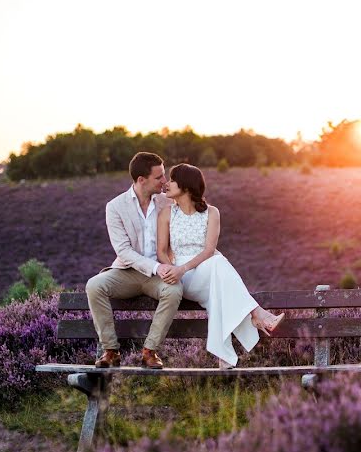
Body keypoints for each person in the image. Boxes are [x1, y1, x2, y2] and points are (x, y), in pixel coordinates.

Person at [157, 163, 284, 369]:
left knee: (217, 280)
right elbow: (162, 251)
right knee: (219, 263)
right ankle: (258, 314)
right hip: (184, 276)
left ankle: (224, 357)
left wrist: (184, 267)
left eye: (172, 179)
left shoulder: (212, 213)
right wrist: (172, 269)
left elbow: (208, 250)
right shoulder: (166, 214)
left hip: (205, 269)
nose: (167, 184)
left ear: (187, 186)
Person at [85, 152, 185, 369]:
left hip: (158, 273)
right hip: (127, 271)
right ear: (142, 180)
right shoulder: (115, 207)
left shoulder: (167, 202)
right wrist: (157, 267)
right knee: (94, 285)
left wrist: (174, 264)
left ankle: (150, 351)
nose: (164, 181)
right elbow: (123, 251)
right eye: (159, 177)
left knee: (174, 291)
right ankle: (110, 351)